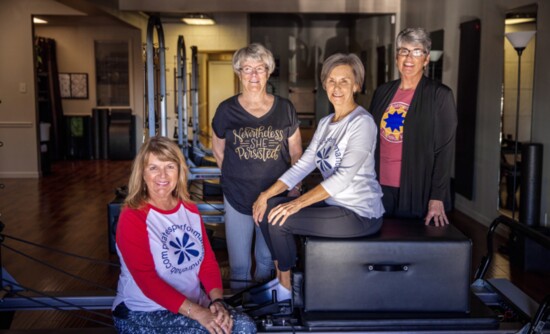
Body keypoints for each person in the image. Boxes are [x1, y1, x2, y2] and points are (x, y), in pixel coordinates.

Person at [252, 53, 384, 300]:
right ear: (324, 84)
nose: (337, 87)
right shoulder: (325, 124)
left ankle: (286, 288)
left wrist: (296, 203)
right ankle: (284, 280)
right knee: (268, 209)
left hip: (359, 213)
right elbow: (303, 165)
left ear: (357, 85)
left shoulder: (362, 123)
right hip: (335, 206)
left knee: (280, 219)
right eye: (331, 80)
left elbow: (342, 178)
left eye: (344, 81)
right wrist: (266, 194)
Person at [112, 136, 256, 334]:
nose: (162, 175)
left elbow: (207, 262)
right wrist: (199, 313)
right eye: (153, 168)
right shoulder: (133, 215)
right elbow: (148, 282)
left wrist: (218, 301)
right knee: (234, 329)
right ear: (142, 174)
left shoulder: (189, 209)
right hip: (142, 313)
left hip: (192, 306)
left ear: (179, 170)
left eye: (170, 166)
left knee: (241, 324)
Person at [211, 43, 303, 290]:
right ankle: (242, 320)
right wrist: (234, 177)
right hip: (237, 195)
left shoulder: (285, 108)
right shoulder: (226, 110)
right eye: (247, 69)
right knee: (239, 265)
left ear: (268, 71)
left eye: (259, 68)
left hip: (274, 198)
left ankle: (262, 318)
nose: (253, 75)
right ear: (239, 73)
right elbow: (218, 151)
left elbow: (296, 152)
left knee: (265, 261)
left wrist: (294, 187)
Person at [369, 27, 457, 226]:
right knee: (378, 247)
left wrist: (437, 197)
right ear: (396, 57)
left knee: (410, 249)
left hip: (418, 189)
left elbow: (444, 151)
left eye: (417, 51)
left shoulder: (440, 95)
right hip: (379, 187)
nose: (409, 58)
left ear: (426, 59)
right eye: (404, 51)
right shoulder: (383, 92)